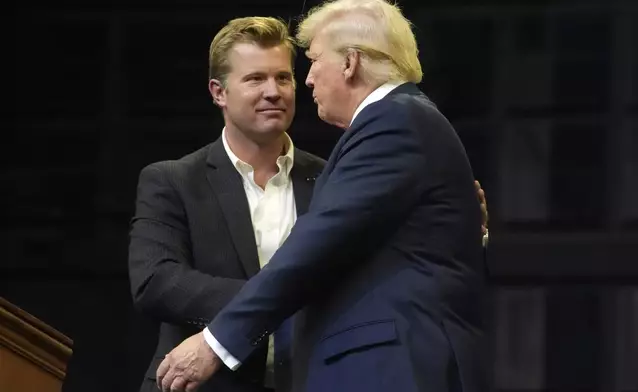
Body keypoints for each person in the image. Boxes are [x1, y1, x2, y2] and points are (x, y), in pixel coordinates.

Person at [156, 1, 490, 392]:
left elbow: (316, 246)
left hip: (392, 368)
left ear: (350, 63)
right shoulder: (404, 121)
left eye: (313, 61)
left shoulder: (393, 122)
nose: (308, 78)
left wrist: (216, 343)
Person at [128, 16, 326, 392]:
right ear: (218, 92)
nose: (274, 91)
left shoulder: (332, 179)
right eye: (255, 79)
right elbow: (156, 282)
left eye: (283, 77)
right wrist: (276, 301)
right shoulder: (172, 179)